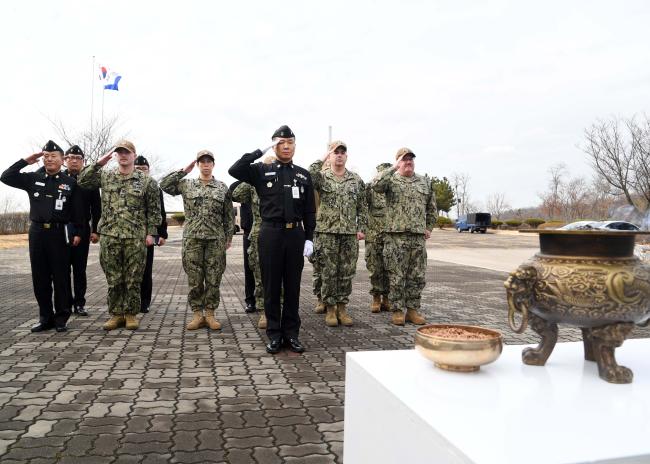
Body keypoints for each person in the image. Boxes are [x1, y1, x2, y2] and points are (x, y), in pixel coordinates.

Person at [228, 125, 316, 354]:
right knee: (271, 285)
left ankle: (292, 334)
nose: (285, 147)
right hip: (270, 234)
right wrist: (260, 151)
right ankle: (274, 334)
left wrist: (309, 238)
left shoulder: (303, 174)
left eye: (289, 143)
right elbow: (234, 169)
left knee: (293, 286)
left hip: (295, 234)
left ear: (295, 146)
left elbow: (309, 211)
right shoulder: (261, 170)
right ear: (274, 145)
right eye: (280, 143)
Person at [77, 140, 161, 331]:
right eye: (119, 152)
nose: (123, 155)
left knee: (133, 278)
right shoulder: (106, 176)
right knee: (113, 278)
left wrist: (151, 234)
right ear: (115, 155)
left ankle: (131, 314)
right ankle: (116, 314)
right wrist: (98, 163)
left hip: (135, 236)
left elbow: (154, 211)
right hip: (110, 235)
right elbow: (82, 180)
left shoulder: (147, 181)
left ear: (133, 155)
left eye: (127, 152)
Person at [1, 140, 83, 333]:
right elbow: (5, 177)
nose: (49, 159)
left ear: (62, 160)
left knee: (61, 277)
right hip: (37, 233)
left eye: (53, 156)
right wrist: (24, 161)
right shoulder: (33, 178)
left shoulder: (70, 183)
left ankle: (61, 318)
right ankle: (45, 318)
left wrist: (78, 232)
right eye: (46, 156)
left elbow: (77, 211)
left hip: (59, 233)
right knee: (40, 278)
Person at [160, 150, 234, 331]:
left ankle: (210, 314)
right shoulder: (187, 185)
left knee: (213, 277)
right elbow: (164, 185)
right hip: (192, 239)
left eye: (209, 161)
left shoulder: (222, 187)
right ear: (198, 164)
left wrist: (228, 236)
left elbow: (228, 215)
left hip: (215, 239)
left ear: (213, 165)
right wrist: (184, 171)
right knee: (194, 279)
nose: (206, 164)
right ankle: (197, 314)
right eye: (202, 162)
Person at [372, 148, 437, 326]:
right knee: (396, 276)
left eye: (411, 159)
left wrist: (429, 227)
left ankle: (413, 310)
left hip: (417, 237)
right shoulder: (390, 181)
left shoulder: (424, 182)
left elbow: (432, 208)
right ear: (398, 161)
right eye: (404, 159)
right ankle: (398, 310)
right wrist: (393, 167)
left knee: (417, 276)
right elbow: (376, 185)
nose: (408, 162)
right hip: (395, 237)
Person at [309, 140, 367, 327]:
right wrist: (322, 157)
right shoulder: (322, 177)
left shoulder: (356, 180)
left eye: (342, 152)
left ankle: (342, 307)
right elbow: (308, 175)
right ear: (330, 156)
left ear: (346, 156)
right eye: (335, 152)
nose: (339, 155)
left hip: (349, 234)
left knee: (347, 272)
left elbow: (362, 206)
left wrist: (362, 228)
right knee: (328, 272)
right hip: (326, 233)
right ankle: (331, 308)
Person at [63, 145, 101, 317]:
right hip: (62, 229)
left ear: (83, 162)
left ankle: (79, 303)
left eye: (78, 158)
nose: (74, 160)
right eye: (70, 157)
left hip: (84, 229)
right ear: (65, 160)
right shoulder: (59, 179)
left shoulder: (90, 181)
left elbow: (96, 208)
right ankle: (65, 303)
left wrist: (96, 230)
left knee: (79, 269)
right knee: (62, 269)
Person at [134, 156, 168, 313]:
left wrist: (162, 234)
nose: (141, 171)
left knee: (146, 269)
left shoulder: (154, 187)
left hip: (149, 232)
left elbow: (160, 212)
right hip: (129, 233)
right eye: (138, 168)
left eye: (144, 169)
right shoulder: (127, 186)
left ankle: (145, 301)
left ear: (148, 170)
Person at [365, 162, 393, 313]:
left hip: (391, 236)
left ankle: (387, 298)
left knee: (389, 268)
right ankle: (376, 297)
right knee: (375, 268)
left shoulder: (394, 188)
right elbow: (363, 208)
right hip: (373, 235)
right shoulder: (370, 188)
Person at [229, 181, 256, 313]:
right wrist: (245, 177)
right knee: (249, 269)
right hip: (248, 234)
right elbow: (232, 192)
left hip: (268, 233)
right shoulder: (246, 188)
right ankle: (250, 300)